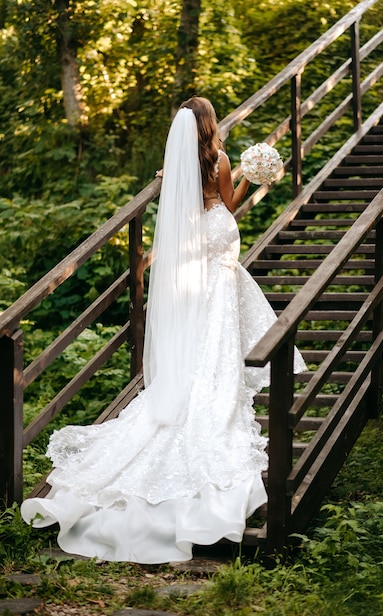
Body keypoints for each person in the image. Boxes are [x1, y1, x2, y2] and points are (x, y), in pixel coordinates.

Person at [21, 96, 306, 564]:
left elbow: (182, 198)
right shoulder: (221, 160)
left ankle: (200, 376)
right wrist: (255, 179)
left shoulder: (177, 166)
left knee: (205, 317)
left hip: (195, 243)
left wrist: (165, 178)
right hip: (219, 235)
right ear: (211, 124)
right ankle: (219, 379)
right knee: (222, 310)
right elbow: (228, 204)